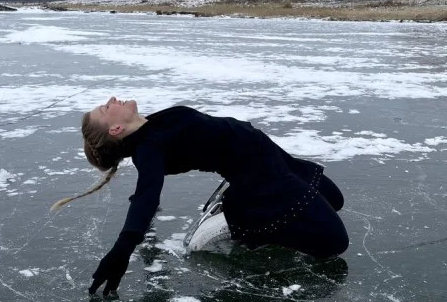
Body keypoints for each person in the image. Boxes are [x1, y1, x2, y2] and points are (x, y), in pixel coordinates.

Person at [51, 97, 349, 297]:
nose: (112, 99)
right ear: (116, 129)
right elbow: (146, 195)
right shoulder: (149, 149)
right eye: (106, 107)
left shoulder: (153, 123)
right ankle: (233, 218)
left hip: (269, 153)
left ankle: (252, 217)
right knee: (334, 243)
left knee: (335, 199)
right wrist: (122, 250)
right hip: (262, 179)